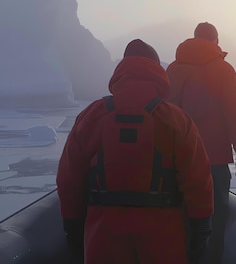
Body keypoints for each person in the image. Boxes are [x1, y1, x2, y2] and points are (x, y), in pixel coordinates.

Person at [56, 39, 214, 264]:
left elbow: (69, 180)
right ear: (157, 72)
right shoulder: (176, 119)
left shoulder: (91, 116)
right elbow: (199, 181)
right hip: (164, 242)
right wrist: (201, 232)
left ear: (121, 71)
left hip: (102, 240)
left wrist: (73, 231)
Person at [166, 22, 236, 264]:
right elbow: (235, 111)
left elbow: (161, 112)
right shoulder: (223, 69)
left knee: (177, 213)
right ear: (215, 41)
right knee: (214, 214)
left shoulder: (172, 69)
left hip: (176, 157)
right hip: (212, 157)